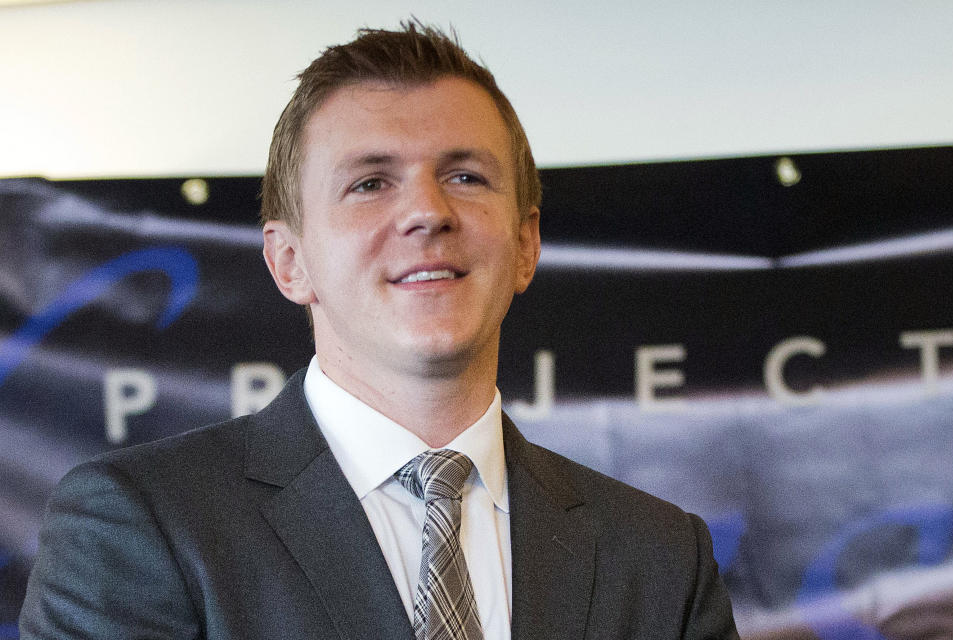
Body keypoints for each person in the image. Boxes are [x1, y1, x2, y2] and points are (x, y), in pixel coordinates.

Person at [20, 22, 739, 639]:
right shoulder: (141, 527)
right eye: (370, 182)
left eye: (465, 176)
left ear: (526, 245)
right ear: (290, 261)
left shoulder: (661, 558)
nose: (427, 212)